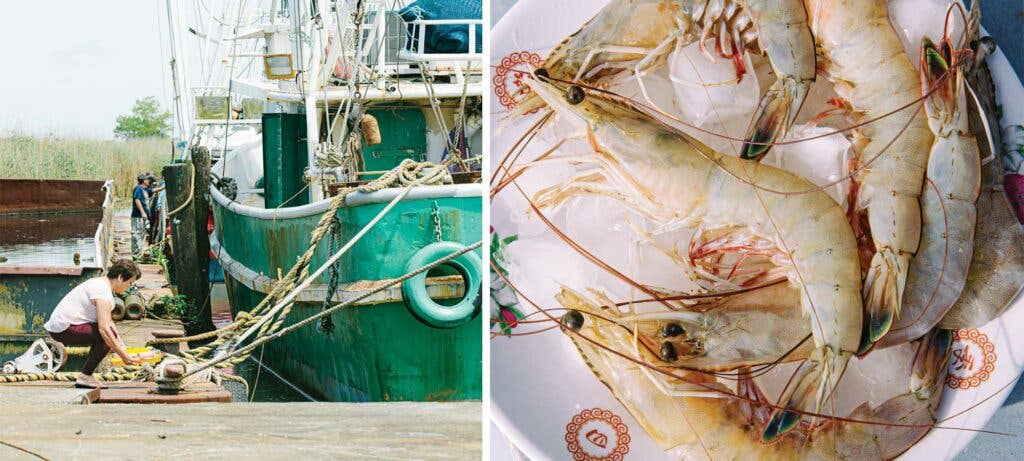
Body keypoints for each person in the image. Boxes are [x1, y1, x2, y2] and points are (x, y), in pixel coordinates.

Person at [43, 259, 142, 388]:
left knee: (109, 336)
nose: (129, 287)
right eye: (129, 283)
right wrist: (123, 356)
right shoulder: (102, 291)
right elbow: (104, 329)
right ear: (120, 277)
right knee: (106, 337)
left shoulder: (101, 285)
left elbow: (109, 323)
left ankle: (86, 376)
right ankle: (85, 377)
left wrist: (123, 348)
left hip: (63, 326)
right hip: (64, 328)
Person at [131, 174, 151, 256]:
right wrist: (143, 212)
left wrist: (164, 187)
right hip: (138, 216)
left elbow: (153, 190)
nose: (148, 181)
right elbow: (137, 200)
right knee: (137, 234)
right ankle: (136, 254)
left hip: (142, 217)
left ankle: (139, 253)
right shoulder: (138, 189)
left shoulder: (144, 189)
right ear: (143, 181)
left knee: (142, 234)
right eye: (147, 179)